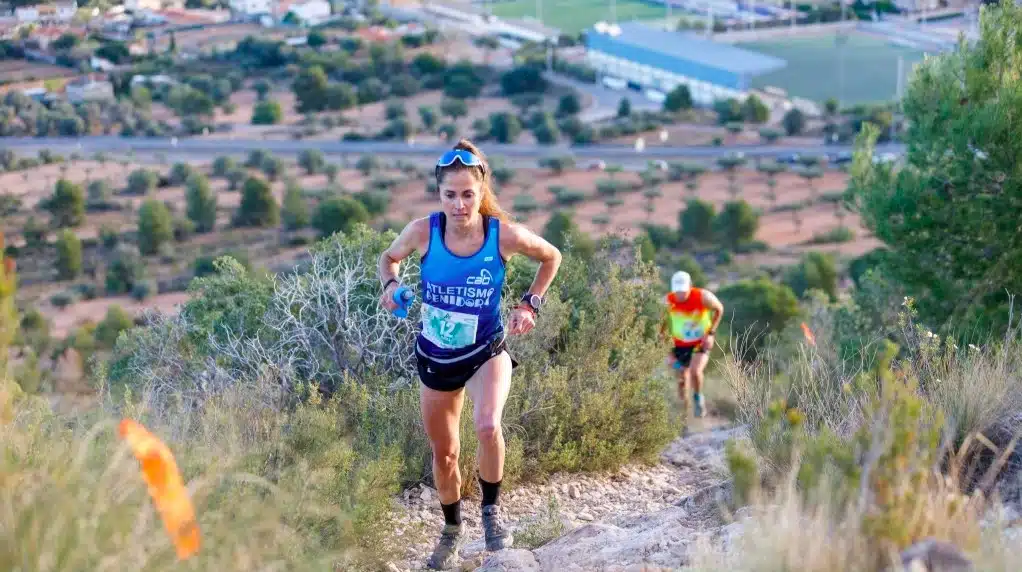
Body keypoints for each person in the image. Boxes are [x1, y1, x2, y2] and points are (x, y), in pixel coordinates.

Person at [378, 139, 562, 570]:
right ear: (438, 194)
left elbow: (551, 257)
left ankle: (493, 515)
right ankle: (452, 531)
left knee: (486, 424)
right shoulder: (424, 231)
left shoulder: (503, 235)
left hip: (486, 350)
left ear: (481, 192)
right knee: (445, 455)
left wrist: (529, 303)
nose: (459, 204)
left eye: (468, 195)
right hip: (436, 358)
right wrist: (390, 287)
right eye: (450, 195)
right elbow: (388, 259)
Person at [663, 270, 724, 418]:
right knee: (682, 379)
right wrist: (668, 354)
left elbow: (719, 309)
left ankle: (698, 399)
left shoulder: (703, 297)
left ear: (690, 286)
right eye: (677, 292)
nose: (681, 295)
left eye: (683, 291)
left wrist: (710, 333)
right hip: (680, 345)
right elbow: (661, 329)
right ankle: (685, 414)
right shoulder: (667, 302)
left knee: (695, 371)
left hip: (700, 342)